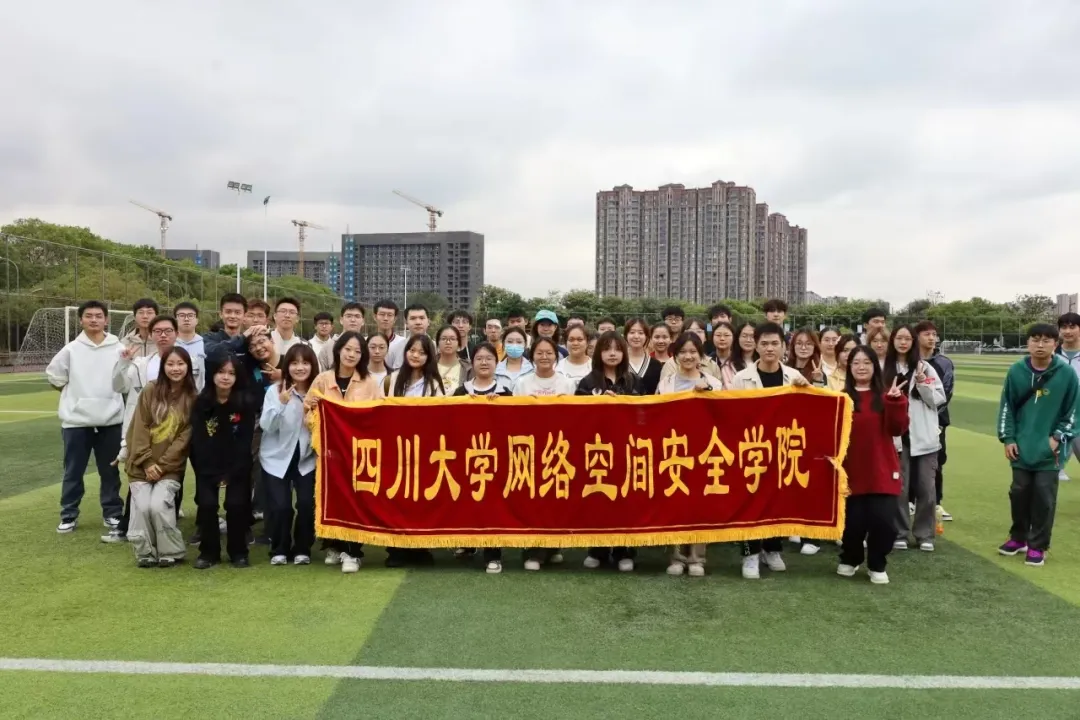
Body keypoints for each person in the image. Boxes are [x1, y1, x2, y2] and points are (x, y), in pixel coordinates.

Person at [996, 323, 1079, 567]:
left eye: (1046, 340)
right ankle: (1018, 537)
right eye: (1035, 339)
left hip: (1051, 449)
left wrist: (1057, 437)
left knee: (1044, 496)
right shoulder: (1016, 371)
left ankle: (1038, 545)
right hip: (1021, 446)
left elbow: (1074, 412)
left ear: (1056, 344)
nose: (1040, 345)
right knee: (1019, 493)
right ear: (1028, 343)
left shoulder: (1066, 374)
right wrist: (1008, 438)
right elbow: (1006, 407)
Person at [732, 322, 809, 578]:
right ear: (755, 346)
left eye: (775, 343)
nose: (769, 348)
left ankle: (773, 548)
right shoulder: (741, 379)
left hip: (782, 450)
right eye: (764, 343)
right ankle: (750, 553)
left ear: (784, 347)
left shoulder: (794, 377)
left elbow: (807, 413)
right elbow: (731, 415)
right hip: (751, 450)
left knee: (778, 500)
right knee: (750, 503)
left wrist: (808, 389)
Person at [47, 300, 126, 534]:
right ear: (80, 320)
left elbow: (126, 380)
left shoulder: (118, 347)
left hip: (111, 421)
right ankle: (68, 514)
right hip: (76, 423)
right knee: (73, 471)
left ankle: (112, 513)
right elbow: (54, 376)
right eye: (89, 316)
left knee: (110, 471)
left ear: (106, 320)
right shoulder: (71, 349)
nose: (94, 320)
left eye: (98, 316)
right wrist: (75, 398)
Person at [307, 331, 383, 574]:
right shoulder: (322, 379)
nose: (351, 354)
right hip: (330, 452)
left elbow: (380, 415)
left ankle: (353, 552)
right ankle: (333, 545)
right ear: (338, 349)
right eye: (348, 349)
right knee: (331, 499)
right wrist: (315, 414)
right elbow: (307, 413)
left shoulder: (369, 382)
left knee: (356, 500)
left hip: (359, 452)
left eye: (357, 351)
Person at [837, 346, 910, 585]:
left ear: (874, 367)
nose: (861, 367)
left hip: (881, 469)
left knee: (883, 522)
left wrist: (896, 402)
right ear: (849, 367)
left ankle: (877, 563)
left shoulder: (887, 396)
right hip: (851, 471)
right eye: (856, 362)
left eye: (866, 363)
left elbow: (897, 429)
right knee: (852, 523)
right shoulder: (841, 398)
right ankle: (851, 557)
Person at [108, 315, 182, 543]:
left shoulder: (184, 362)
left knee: (172, 479)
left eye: (168, 331)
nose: (163, 335)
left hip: (174, 431)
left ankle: (167, 529)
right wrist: (123, 362)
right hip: (142, 429)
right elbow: (118, 386)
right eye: (158, 331)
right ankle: (129, 527)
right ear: (150, 335)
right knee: (140, 477)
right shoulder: (141, 364)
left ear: (176, 333)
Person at [658, 332, 723, 576]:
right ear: (675, 356)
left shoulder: (714, 383)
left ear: (701, 355)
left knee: (700, 504)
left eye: (693, 352)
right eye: (683, 352)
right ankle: (676, 556)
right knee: (674, 502)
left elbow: (723, 415)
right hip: (673, 449)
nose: (688, 356)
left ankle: (697, 558)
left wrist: (706, 394)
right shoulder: (666, 383)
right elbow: (658, 414)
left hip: (704, 450)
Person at [576, 331, 641, 571]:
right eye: (606, 349)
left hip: (626, 451)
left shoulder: (633, 381)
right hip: (597, 451)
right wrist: (598, 404)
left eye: (617, 349)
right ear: (598, 353)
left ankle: (625, 552)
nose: (612, 354)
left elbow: (645, 416)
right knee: (598, 500)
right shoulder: (587, 382)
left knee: (626, 501)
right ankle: (598, 550)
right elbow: (577, 416)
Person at [124, 346, 195, 568]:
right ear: (163, 367)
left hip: (169, 468)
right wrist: (147, 462)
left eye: (180, 364)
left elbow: (184, 438)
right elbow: (139, 427)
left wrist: (162, 466)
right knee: (142, 506)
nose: (175, 368)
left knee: (158, 506)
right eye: (170, 364)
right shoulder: (150, 390)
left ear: (188, 367)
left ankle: (170, 551)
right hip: (140, 465)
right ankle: (145, 551)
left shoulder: (193, 397)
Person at [190, 352, 256, 569]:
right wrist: (211, 471)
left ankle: (238, 551)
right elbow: (198, 440)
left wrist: (230, 473)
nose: (225, 377)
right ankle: (209, 552)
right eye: (221, 372)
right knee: (207, 505)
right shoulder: (201, 403)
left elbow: (245, 441)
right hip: (207, 466)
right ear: (212, 374)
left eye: (231, 373)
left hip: (237, 466)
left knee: (236, 505)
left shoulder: (245, 403)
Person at [884, 325, 945, 552]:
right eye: (899, 338)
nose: (903, 342)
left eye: (907, 338)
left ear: (913, 342)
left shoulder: (925, 368)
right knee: (899, 488)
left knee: (926, 488)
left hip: (924, 436)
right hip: (896, 437)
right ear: (893, 340)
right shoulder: (885, 368)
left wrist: (922, 384)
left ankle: (924, 534)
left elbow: (938, 400)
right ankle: (899, 532)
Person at [260, 344, 319, 566]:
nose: (300, 368)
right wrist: (282, 404)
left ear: (312, 366)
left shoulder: (317, 393)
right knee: (281, 506)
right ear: (287, 367)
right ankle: (279, 548)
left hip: (306, 459)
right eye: (294, 363)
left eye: (305, 363)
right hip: (276, 458)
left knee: (305, 504)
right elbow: (267, 426)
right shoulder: (275, 392)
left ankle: (302, 548)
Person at [916, 320, 955, 522]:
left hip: (937, 421)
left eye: (934, 334)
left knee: (937, 462)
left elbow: (946, 394)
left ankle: (936, 502)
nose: (931, 338)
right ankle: (910, 501)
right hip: (912, 420)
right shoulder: (909, 361)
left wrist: (933, 419)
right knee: (909, 461)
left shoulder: (944, 363)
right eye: (926, 334)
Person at [1055, 312, 1080, 482]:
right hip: (1059, 406)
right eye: (1063, 327)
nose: (1067, 331)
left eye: (1072, 327)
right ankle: (1057, 468)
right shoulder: (1053, 354)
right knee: (1059, 437)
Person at [204, 293, 259, 364]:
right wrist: (242, 337)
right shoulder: (209, 338)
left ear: (244, 316)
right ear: (221, 314)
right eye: (228, 312)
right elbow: (211, 352)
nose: (233, 316)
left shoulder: (249, 342)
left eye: (237, 312)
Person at [317, 302, 366, 373]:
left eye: (357, 316)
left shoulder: (368, 346)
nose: (353, 320)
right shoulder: (328, 347)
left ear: (363, 321)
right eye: (349, 316)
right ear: (341, 320)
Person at [173, 301, 206, 391]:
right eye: (182, 315)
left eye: (190, 315)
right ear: (175, 320)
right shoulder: (170, 343)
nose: (186, 319)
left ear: (197, 320)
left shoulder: (204, 343)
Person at [625, 318, 662, 395]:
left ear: (647, 336)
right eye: (632, 332)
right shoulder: (618, 363)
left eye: (641, 333)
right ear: (626, 335)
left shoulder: (656, 365)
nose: (636, 336)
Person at [435, 325, 473, 395]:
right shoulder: (428, 365)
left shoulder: (469, 368)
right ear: (438, 343)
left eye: (452, 339)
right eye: (444, 339)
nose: (448, 342)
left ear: (459, 343)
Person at [707, 321, 739, 388]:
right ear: (712, 337)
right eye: (718, 335)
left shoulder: (740, 360)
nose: (722, 338)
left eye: (726, 335)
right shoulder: (707, 362)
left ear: (734, 338)